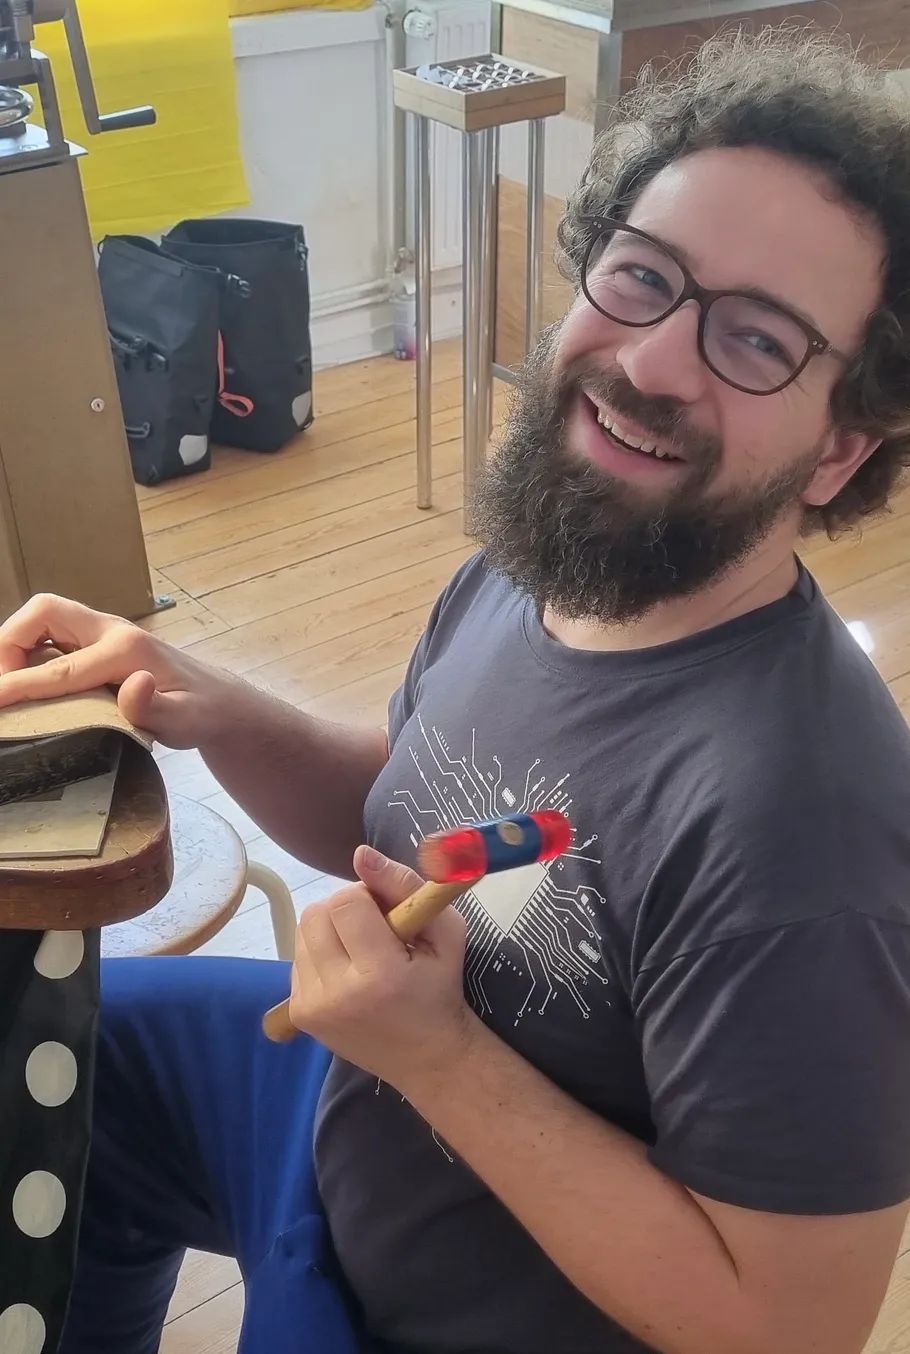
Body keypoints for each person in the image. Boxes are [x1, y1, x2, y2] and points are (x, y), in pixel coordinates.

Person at [4, 24, 910, 1354]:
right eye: (642, 274)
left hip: (421, 1310)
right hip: (342, 1124)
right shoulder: (554, 560)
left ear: (838, 449)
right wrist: (208, 699)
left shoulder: (802, 832)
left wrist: (439, 1056)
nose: (650, 360)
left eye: (757, 341)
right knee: (44, 1061)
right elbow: (413, 806)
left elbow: (784, 1322)